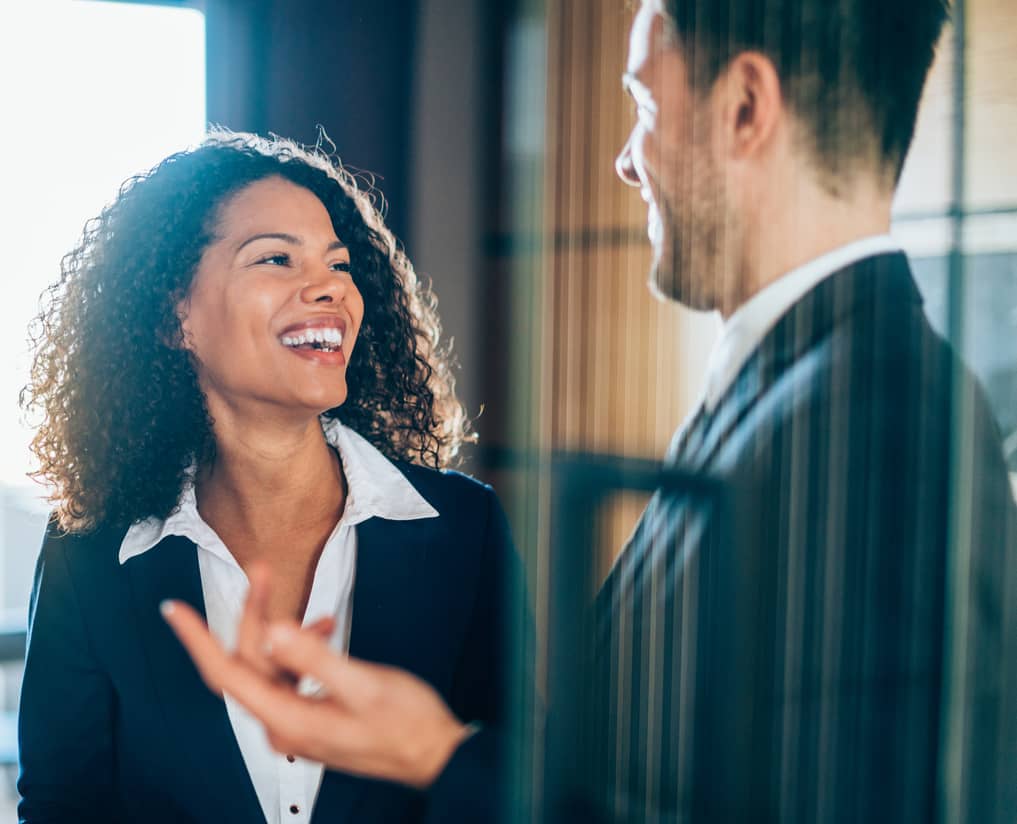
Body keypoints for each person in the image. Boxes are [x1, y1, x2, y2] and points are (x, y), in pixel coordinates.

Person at [165, 0, 1017, 821]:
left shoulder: (872, 425)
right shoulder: (793, 391)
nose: (623, 159)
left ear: (745, 108)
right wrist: (428, 746)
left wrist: (442, 760)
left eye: (645, 102)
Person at [17, 130, 522, 824]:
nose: (329, 288)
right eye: (276, 258)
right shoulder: (92, 553)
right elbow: (60, 807)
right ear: (175, 318)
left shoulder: (464, 529)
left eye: (338, 265)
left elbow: (522, 783)